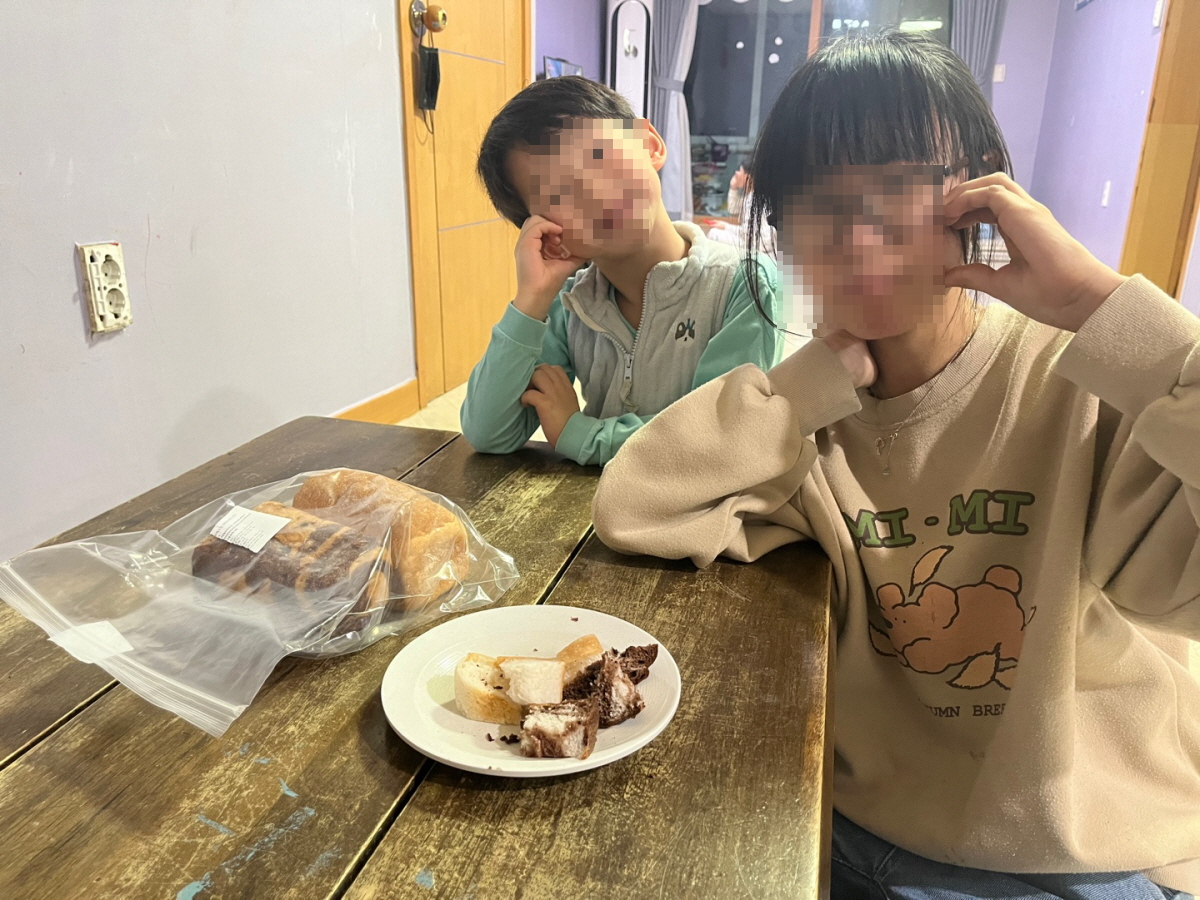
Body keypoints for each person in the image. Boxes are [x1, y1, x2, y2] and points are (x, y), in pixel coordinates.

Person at [592, 31, 1200, 899]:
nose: (858, 234)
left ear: (981, 191)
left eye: (900, 187)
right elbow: (634, 506)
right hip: (846, 823)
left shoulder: (1080, 383)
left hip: (1068, 853)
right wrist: (810, 386)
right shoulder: (806, 416)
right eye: (816, 204)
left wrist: (1100, 308)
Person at [461, 76, 781, 466]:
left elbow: (719, 435)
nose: (595, 192)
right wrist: (531, 301)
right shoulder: (572, 305)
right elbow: (490, 432)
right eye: (560, 192)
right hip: (597, 502)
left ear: (650, 144)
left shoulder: (744, 284)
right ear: (544, 230)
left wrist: (580, 433)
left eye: (599, 154)